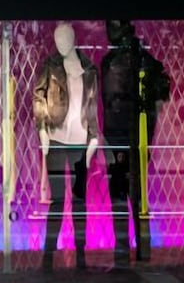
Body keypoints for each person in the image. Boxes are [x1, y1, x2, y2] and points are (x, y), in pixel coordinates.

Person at [33, 22, 100, 269]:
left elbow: (92, 105)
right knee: (58, 201)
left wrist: (93, 136)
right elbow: (39, 97)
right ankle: (48, 254)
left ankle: (81, 253)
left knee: (80, 200)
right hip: (56, 138)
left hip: (80, 141)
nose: (60, 44)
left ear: (73, 39)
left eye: (64, 38)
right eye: (57, 39)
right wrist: (42, 129)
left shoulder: (88, 69)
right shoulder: (50, 65)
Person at [100, 20, 170, 206]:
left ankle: (135, 213)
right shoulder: (112, 62)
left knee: (131, 186)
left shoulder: (137, 60)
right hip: (120, 132)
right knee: (124, 186)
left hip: (132, 131)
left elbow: (161, 89)